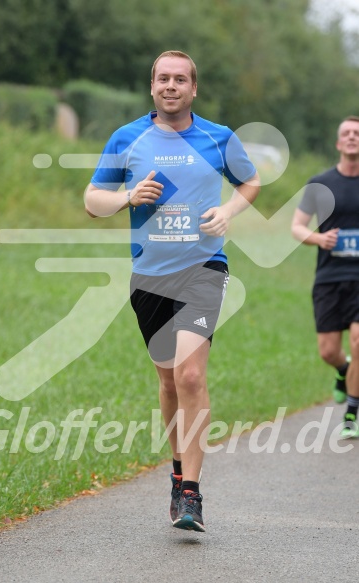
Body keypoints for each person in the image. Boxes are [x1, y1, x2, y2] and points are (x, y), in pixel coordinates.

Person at [85, 50, 260, 531]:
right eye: (163, 78)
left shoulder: (218, 137)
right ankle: (178, 469)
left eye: (180, 79)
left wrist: (229, 212)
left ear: (193, 89)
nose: (171, 86)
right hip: (149, 276)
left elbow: (251, 182)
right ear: (152, 86)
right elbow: (92, 200)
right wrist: (126, 197)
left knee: (189, 377)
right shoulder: (128, 138)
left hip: (204, 268)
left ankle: (192, 495)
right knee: (167, 381)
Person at [291, 115, 359, 439]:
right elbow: (297, 226)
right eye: (346, 133)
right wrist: (319, 239)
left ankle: (351, 414)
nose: (352, 138)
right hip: (329, 276)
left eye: (357, 133)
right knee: (329, 352)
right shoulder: (320, 184)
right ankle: (344, 373)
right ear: (338, 143)